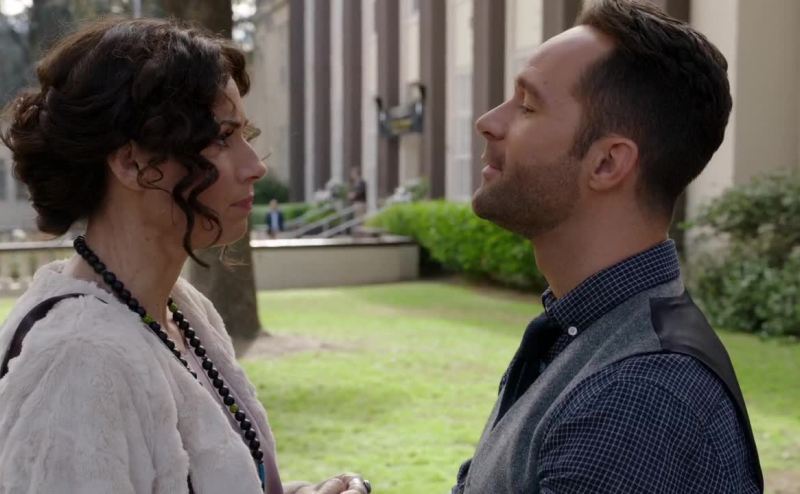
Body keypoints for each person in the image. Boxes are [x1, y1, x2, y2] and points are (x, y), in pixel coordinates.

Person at [0, 19, 369, 494]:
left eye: (245, 136)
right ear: (133, 162)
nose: (254, 167)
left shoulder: (181, 310)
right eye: (222, 138)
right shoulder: (79, 361)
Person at [452, 1, 762, 493]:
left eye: (528, 106)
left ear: (607, 164)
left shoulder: (637, 397)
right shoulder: (580, 332)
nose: (488, 121)